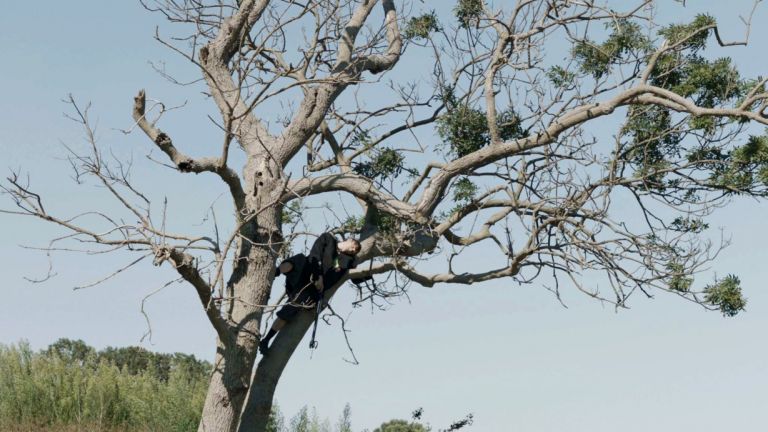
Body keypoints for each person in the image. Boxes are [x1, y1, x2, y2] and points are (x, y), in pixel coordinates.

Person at [259, 234, 362, 355]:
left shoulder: (348, 260)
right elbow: (315, 254)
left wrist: (368, 272)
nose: (354, 250)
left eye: (356, 251)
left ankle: (266, 340)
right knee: (300, 259)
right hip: (304, 271)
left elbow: (356, 278)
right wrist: (318, 275)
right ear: (349, 240)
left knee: (290, 309)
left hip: (308, 290)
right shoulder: (328, 239)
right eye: (354, 246)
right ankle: (274, 272)